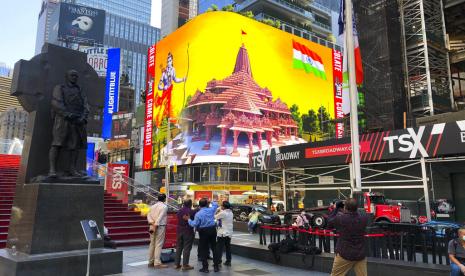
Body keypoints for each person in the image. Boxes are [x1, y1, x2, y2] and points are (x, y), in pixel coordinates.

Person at [49, 69, 89, 177]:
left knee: (74, 146)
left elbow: (86, 105)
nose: (74, 77)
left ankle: (73, 169)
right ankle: (52, 170)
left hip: (77, 121)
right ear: (67, 76)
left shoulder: (80, 90)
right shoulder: (60, 88)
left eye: (76, 76)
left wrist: (83, 117)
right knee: (57, 143)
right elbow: (56, 103)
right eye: (72, 75)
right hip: (63, 120)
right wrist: (67, 114)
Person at [327, 198, 368, 276]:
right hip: (360, 254)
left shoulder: (341, 218)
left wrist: (336, 208)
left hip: (344, 254)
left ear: (345, 207)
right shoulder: (364, 219)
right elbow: (356, 214)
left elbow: (329, 222)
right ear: (357, 208)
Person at [187, 198, 219, 273]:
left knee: (204, 249)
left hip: (204, 231)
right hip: (213, 230)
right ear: (207, 204)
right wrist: (211, 201)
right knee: (214, 247)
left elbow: (194, 224)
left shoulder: (198, 214)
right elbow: (216, 204)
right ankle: (216, 267)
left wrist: (188, 219)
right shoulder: (211, 210)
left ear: (199, 205)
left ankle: (205, 268)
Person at [147, 194, 168, 269]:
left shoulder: (152, 206)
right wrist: (156, 224)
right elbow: (160, 216)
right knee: (158, 244)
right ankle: (157, 263)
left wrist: (152, 222)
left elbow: (148, 215)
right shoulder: (164, 206)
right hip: (160, 226)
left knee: (152, 243)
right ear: (164, 199)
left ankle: (150, 261)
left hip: (152, 226)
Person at [174, 199, 195, 271]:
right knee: (187, 247)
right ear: (190, 204)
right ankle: (185, 265)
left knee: (179, 247)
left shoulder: (179, 211)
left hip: (179, 230)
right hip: (188, 231)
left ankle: (176, 264)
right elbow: (194, 221)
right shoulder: (191, 211)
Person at [214, 201, 234, 267]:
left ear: (223, 206)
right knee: (228, 247)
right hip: (229, 233)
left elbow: (215, 216)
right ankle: (228, 261)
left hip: (222, 233)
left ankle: (218, 262)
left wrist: (217, 210)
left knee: (219, 248)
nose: (220, 206)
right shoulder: (231, 213)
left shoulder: (223, 213)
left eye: (221, 205)